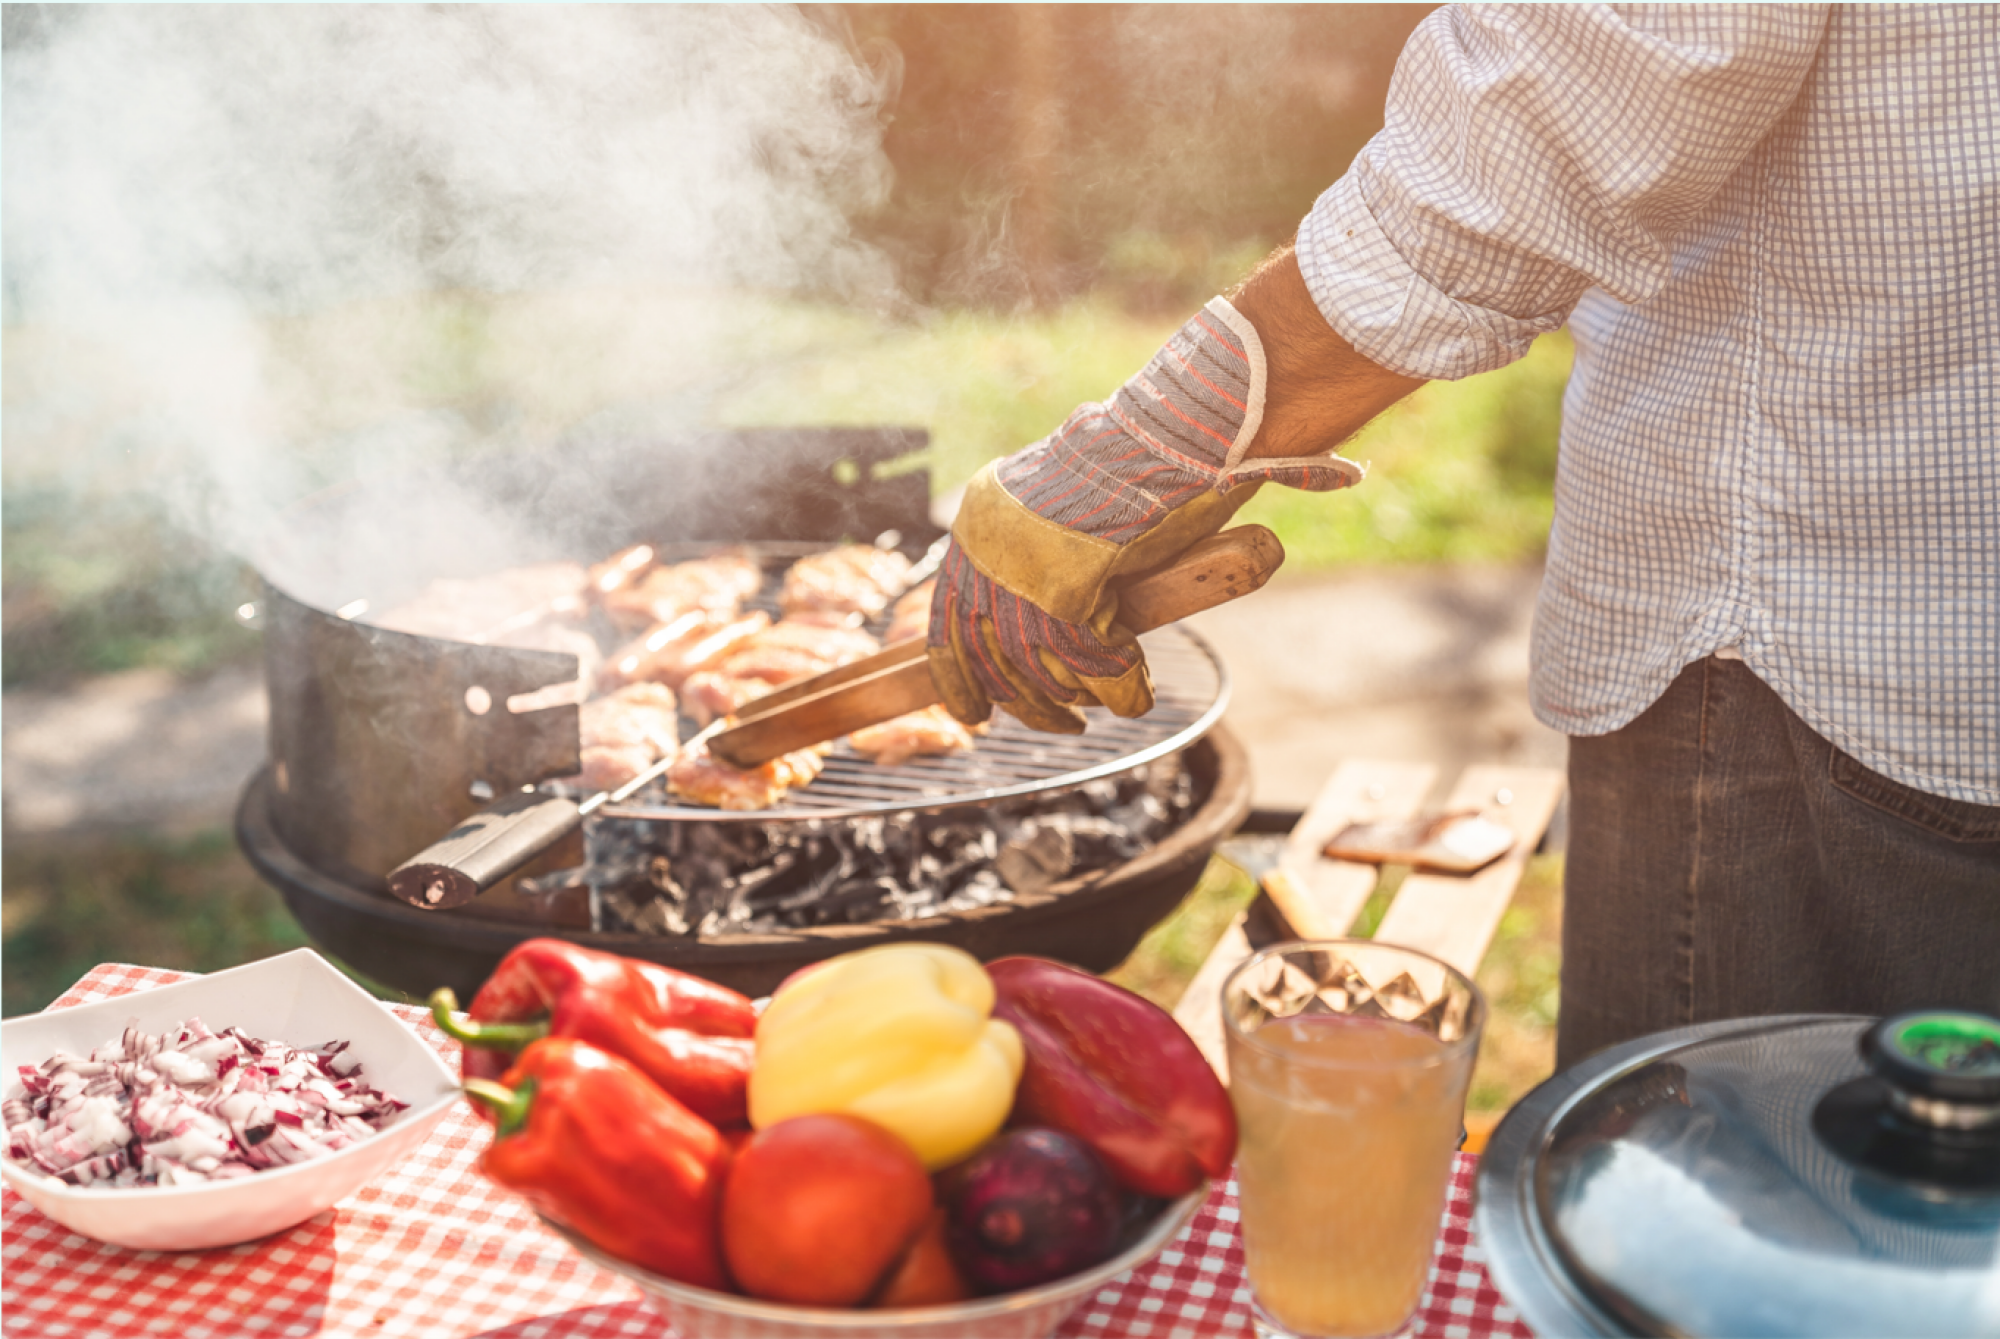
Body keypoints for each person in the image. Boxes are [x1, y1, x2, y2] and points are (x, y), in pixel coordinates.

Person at [925, 4, 2000, 1066]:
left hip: (1805, 656)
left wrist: (1117, 467)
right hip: (1931, 639)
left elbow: (1557, 107)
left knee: (1715, 1203)